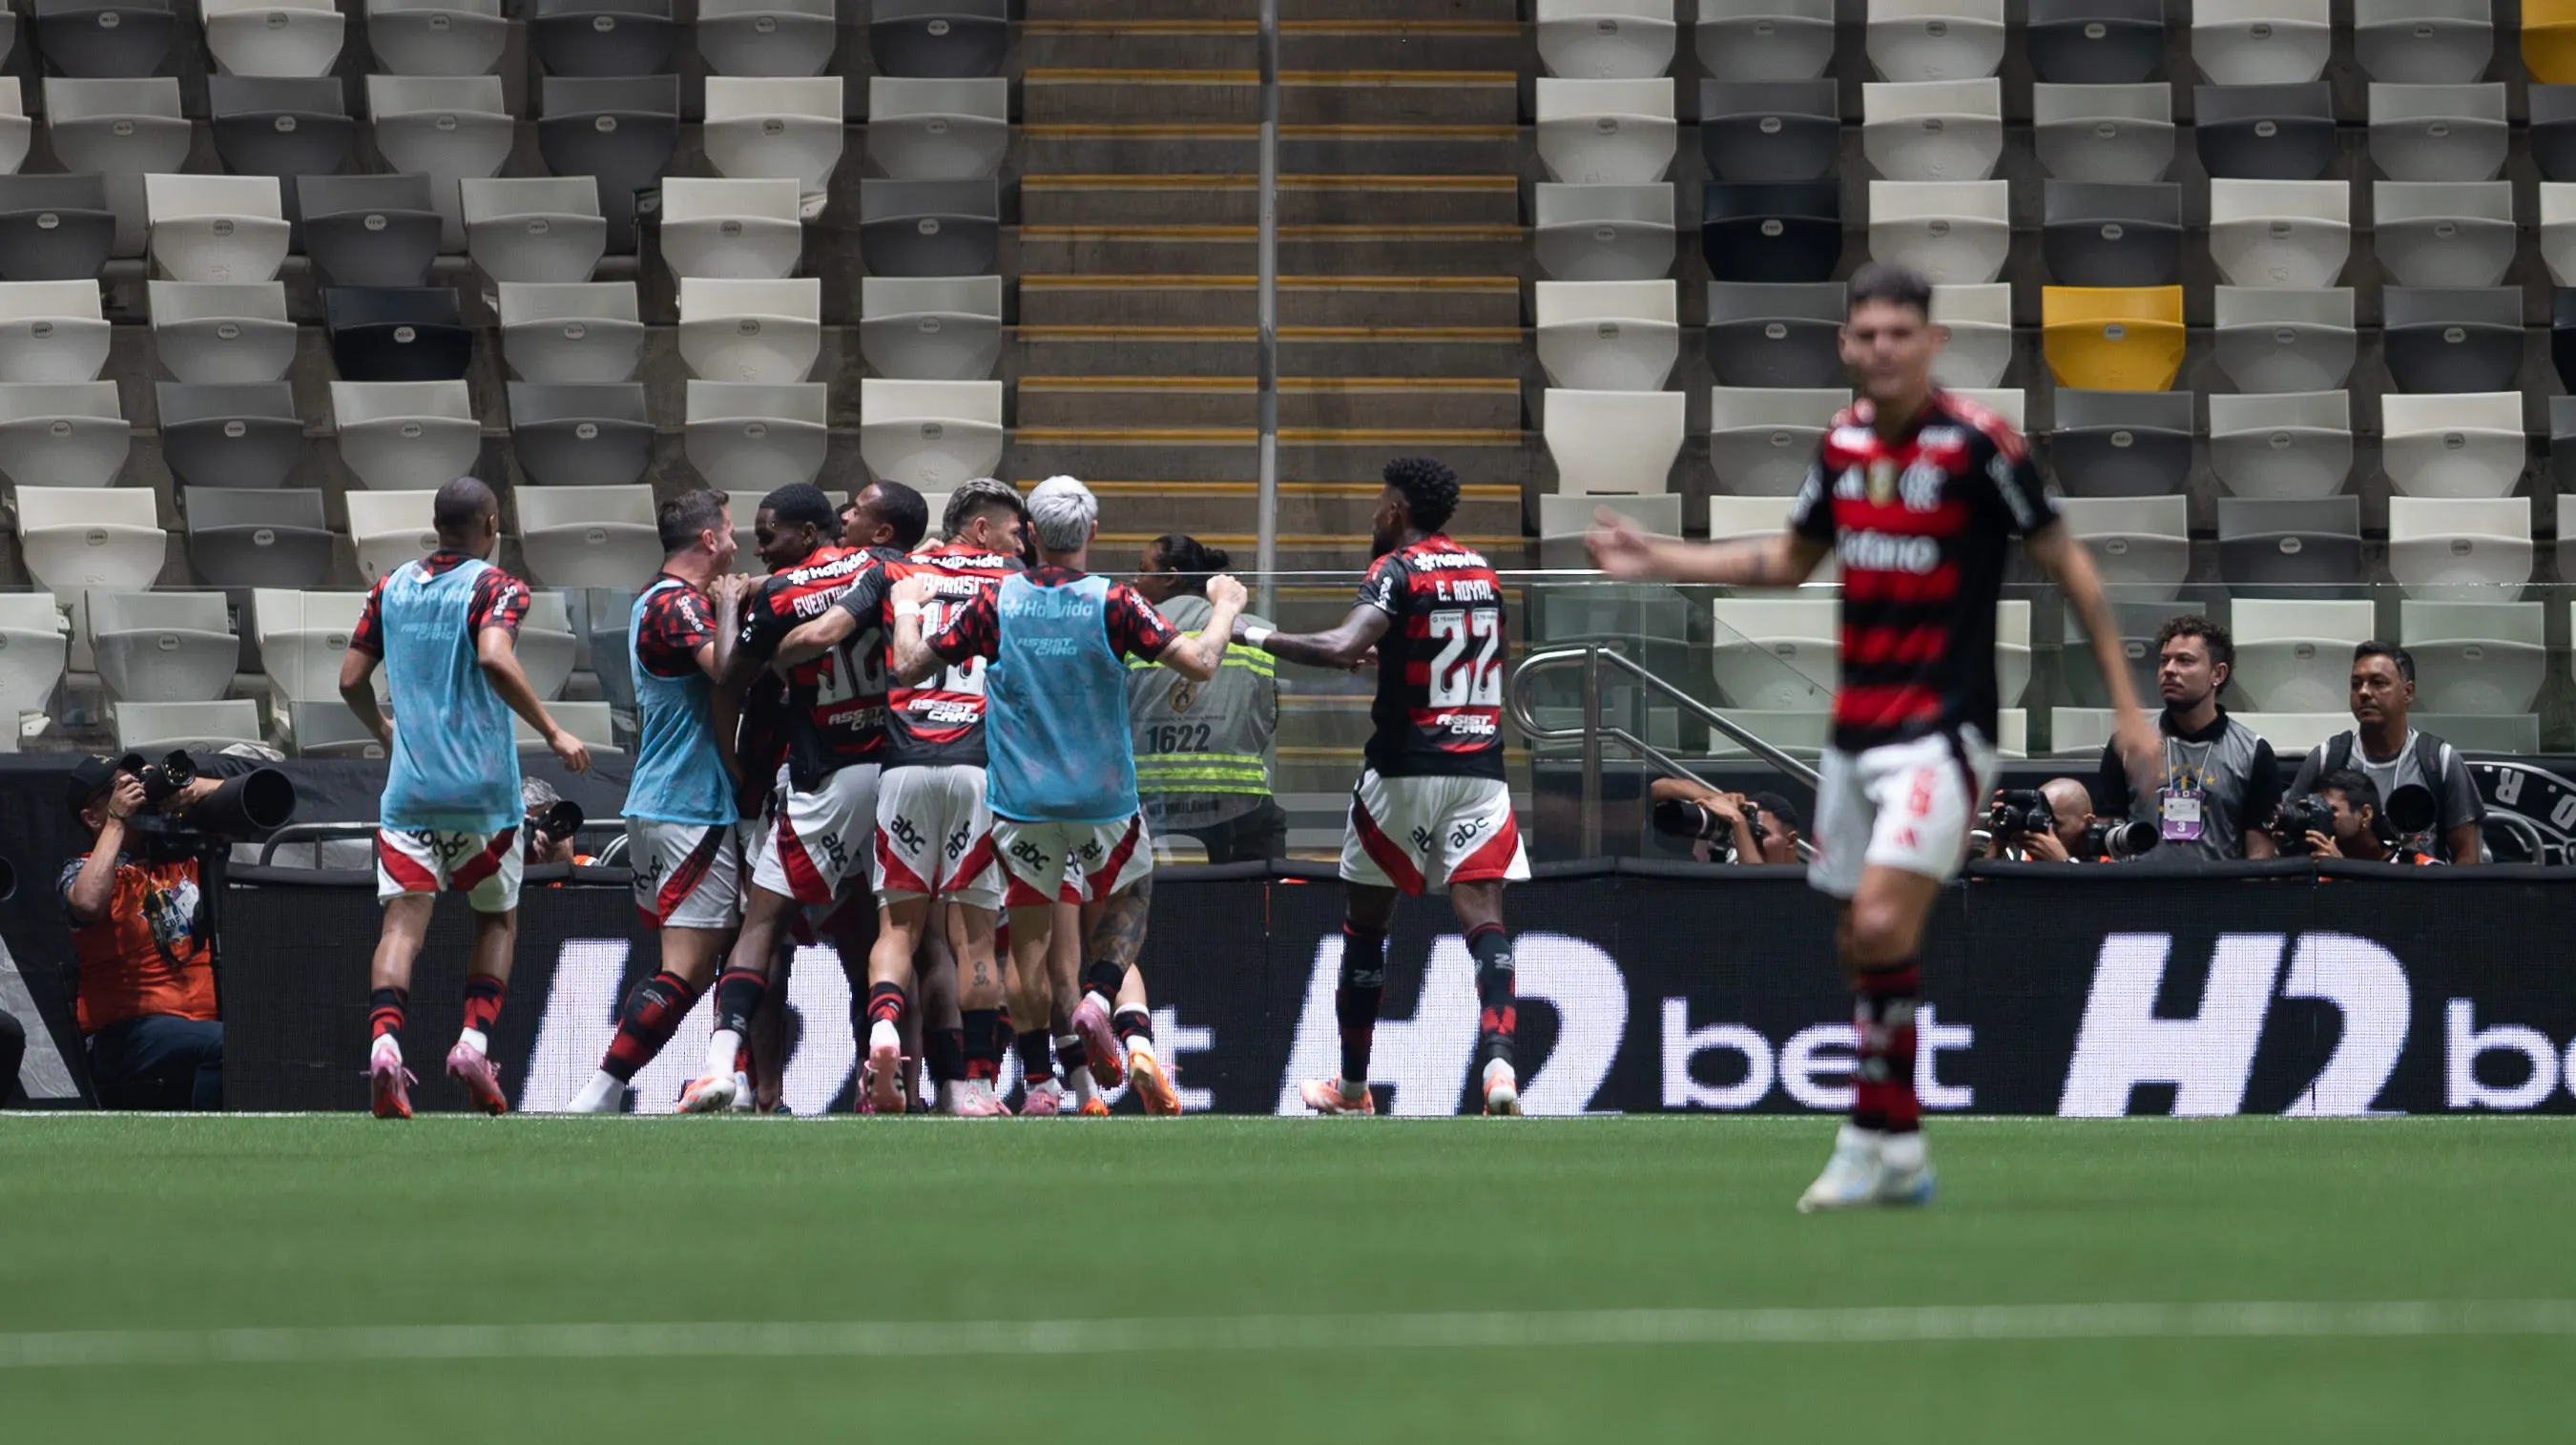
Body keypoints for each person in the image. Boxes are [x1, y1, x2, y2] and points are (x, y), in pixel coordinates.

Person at [1588, 261, 2158, 1209]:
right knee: (1861, 936)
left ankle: (1863, 1138)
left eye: (1902, 333)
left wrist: (2128, 707)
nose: (1883, 348)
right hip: (1854, 732)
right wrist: (1662, 557)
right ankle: (1900, 1149)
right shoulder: (1843, 445)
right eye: (1867, 334)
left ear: (1930, 344)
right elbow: (1788, 556)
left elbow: (2071, 566)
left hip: (1946, 732)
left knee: (1889, 920)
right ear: (1847, 345)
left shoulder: (1983, 446)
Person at [889, 475, 1243, 1116]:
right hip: (1103, 800)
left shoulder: (998, 602)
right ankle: (1098, 998)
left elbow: (908, 666)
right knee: (1130, 896)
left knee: (1025, 943)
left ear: (1030, 534)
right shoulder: (1115, 601)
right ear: (1093, 534)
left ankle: (1038, 1084)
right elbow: (1202, 661)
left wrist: (910, 603)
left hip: (1023, 802)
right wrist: (1223, 603)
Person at [1233, 456, 1534, 1118]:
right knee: (1485, 922)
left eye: (1379, 502)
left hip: (1402, 770)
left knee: (1366, 927)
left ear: (1396, 510)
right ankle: (1501, 1066)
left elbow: (1342, 644)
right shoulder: (1484, 570)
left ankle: (1352, 1088)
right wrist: (1394, 655)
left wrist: (1250, 632)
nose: (1375, 512)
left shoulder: (1395, 569)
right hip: (1480, 772)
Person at [340, 476, 592, 1119]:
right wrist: (554, 730)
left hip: (411, 792)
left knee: (401, 925)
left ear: (437, 523)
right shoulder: (496, 584)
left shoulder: (389, 586)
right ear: (489, 522)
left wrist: (382, 730)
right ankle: (473, 1044)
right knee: (497, 916)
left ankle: (386, 1047)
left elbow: (349, 679)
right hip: (482, 793)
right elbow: (494, 657)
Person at [775, 477, 1027, 1117]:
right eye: (1014, 527)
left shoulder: (900, 568)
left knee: (898, 925)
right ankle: (972, 1086)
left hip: (903, 759)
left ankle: (884, 1030)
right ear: (985, 528)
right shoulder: (1016, 579)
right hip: (977, 763)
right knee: (973, 935)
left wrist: (770, 645)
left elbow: (823, 630)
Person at [686, 482, 914, 1111]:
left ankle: (720, 1065)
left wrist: (735, 600)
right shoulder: (885, 565)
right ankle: (923, 1086)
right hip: (894, 771)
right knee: (895, 935)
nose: (760, 549)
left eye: (769, 536)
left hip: (825, 777)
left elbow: (731, 675)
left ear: (807, 534)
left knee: (762, 923)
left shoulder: (785, 593)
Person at [568, 489, 751, 1114]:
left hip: (671, 801)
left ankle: (721, 1075)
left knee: (716, 956)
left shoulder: (663, 599)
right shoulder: (674, 604)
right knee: (686, 966)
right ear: (707, 540)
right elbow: (726, 669)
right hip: (686, 803)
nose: (734, 543)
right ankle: (600, 1090)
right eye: (728, 533)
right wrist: (729, 607)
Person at [59, 755, 232, 1110]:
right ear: (92, 816)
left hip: (202, 1025)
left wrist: (196, 788)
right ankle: (211, 1149)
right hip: (125, 1036)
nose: (135, 789)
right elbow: (87, 903)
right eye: (117, 788)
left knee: (263, 1040)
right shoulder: (82, 868)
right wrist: (117, 821)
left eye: (137, 779)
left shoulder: (184, 854)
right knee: (232, 1044)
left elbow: (258, 805)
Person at [1129, 534, 1286, 863]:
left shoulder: (1131, 634)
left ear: (1170, 576)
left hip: (1150, 804)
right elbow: (1267, 718)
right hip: (1240, 807)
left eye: (1142, 570)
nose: (1134, 579)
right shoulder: (1256, 632)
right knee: (1250, 903)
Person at [2096, 615, 2282, 863]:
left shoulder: (2252, 752)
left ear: (2218, 673)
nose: (2169, 670)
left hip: (2218, 896)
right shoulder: (2128, 744)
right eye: (2164, 661)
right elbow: (2104, 841)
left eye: (2185, 661)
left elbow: (2259, 855)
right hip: (2141, 895)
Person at [2286, 642, 2484, 865]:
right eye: (2356, 684)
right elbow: (2290, 837)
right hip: (2338, 894)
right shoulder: (2327, 759)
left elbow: (2467, 857)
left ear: (2408, 692)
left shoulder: (2440, 762)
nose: (2364, 692)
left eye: (2378, 683)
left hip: (2421, 894)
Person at [1647, 775, 1803, 864]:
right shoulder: (1733, 856)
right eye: (1749, 832)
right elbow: (1658, 788)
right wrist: (1713, 798)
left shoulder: (1807, 885)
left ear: (1791, 841)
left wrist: (1738, 821)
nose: (1749, 839)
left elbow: (1758, 888)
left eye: (1761, 833)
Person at [2295, 770, 2437, 866]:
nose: (2321, 817)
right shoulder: (2320, 868)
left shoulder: (2423, 869)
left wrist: (2340, 872)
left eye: (2330, 810)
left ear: (2365, 815)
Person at [1984, 777, 2098, 862]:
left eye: (2054, 824)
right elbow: (1977, 891)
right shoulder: (2022, 858)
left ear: (2088, 823)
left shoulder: (2109, 858)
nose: (2042, 831)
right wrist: (1996, 846)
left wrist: (2062, 865)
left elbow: (2097, 893)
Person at [519, 778, 592, 869]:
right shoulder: (502, 871)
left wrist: (568, 867)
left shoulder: (587, 866)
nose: (539, 836)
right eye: (528, 827)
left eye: (545, 825)